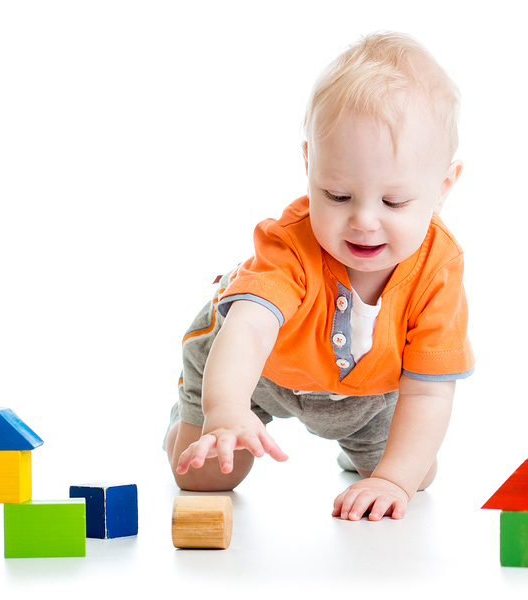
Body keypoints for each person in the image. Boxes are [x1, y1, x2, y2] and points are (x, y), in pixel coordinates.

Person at [163, 31, 475, 521]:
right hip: (253, 371)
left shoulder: (437, 269)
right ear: (310, 164)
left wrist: (394, 479)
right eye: (337, 194)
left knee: (416, 473)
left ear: (442, 188)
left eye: (393, 202)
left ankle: (355, 450)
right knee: (203, 479)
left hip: (364, 396)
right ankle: (188, 416)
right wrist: (226, 410)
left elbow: (430, 388)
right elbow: (249, 327)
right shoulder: (292, 242)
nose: (365, 220)